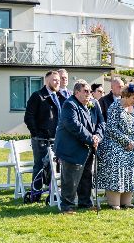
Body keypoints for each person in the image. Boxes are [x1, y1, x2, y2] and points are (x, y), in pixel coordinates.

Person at [53, 80, 102, 213]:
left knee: (86, 176)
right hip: (71, 148)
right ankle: (67, 206)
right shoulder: (70, 104)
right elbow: (74, 125)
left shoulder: (94, 104)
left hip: (88, 147)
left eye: (90, 91)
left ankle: (85, 203)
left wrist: (97, 135)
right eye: (85, 91)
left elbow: (101, 123)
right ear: (76, 92)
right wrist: (91, 138)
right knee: (70, 179)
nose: (89, 94)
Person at [94, 81, 134, 209]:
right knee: (118, 166)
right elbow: (111, 128)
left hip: (132, 146)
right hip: (114, 145)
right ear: (126, 96)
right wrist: (126, 142)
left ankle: (126, 202)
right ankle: (114, 202)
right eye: (133, 98)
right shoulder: (115, 107)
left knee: (131, 169)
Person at [23, 70, 63, 201]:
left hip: (56, 139)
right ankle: (35, 194)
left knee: (56, 167)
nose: (57, 82)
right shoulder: (38, 96)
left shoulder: (60, 97)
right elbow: (28, 117)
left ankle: (53, 193)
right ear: (47, 81)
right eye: (54, 80)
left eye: (58, 80)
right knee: (39, 166)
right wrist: (36, 133)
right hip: (41, 139)